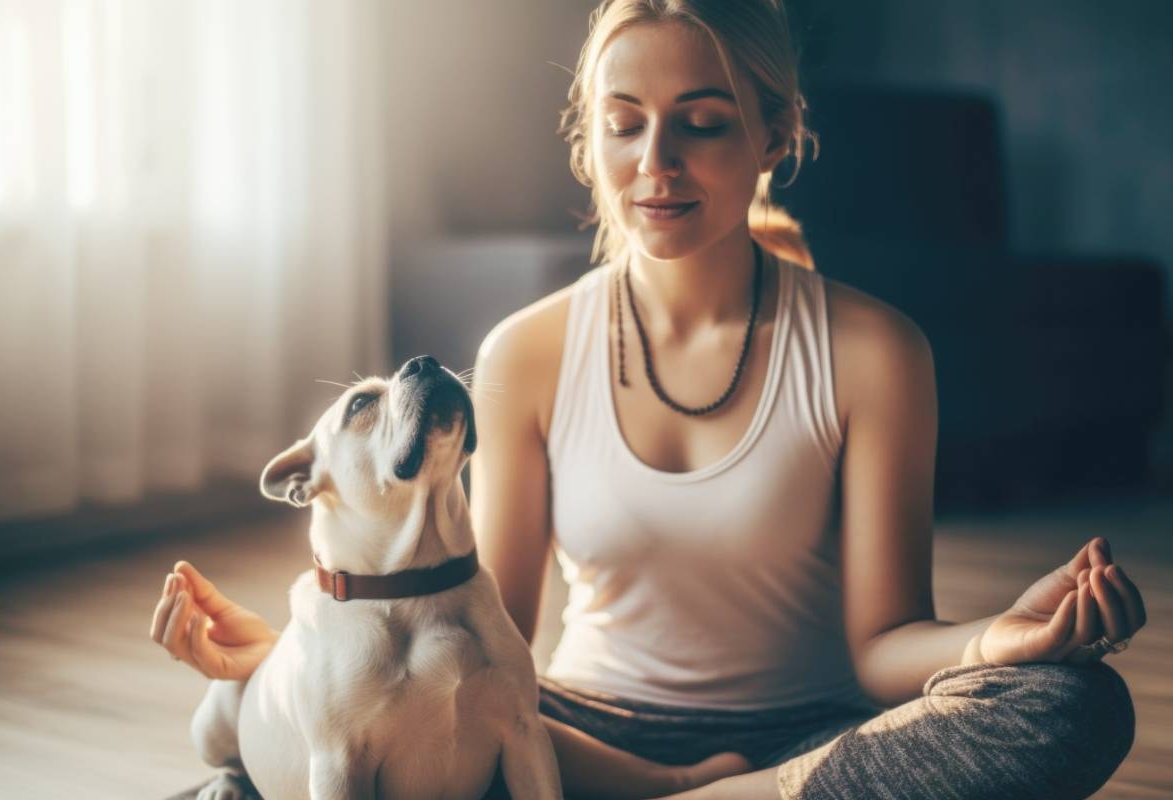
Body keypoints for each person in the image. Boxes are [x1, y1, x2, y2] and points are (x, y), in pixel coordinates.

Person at [152, 2, 1145, 798]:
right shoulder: (527, 351)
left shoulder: (876, 350)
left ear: (775, 133)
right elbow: (472, 627)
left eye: (703, 124)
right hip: (580, 735)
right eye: (625, 125)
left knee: (1075, 703)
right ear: (591, 142)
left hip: (812, 736)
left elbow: (886, 645)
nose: (655, 163)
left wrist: (995, 639)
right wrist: (292, 661)